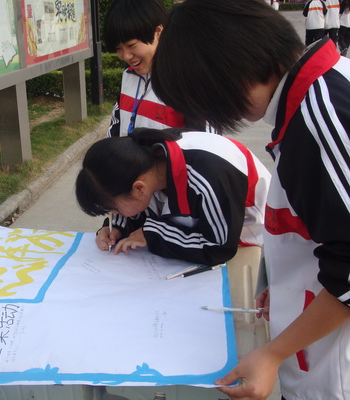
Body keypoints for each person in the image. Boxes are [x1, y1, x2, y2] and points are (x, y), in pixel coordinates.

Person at [151, 0, 350, 398]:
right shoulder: (315, 94)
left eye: (204, 97)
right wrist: (287, 285)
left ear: (228, 71)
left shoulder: (318, 121)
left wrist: (272, 354)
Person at [76, 128, 270, 265]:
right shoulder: (149, 163)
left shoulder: (207, 178)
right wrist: (117, 227)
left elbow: (218, 248)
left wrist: (154, 234)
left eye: (115, 210)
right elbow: (142, 207)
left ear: (139, 188)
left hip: (254, 237)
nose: (114, 214)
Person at [103, 0, 212, 137]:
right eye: (118, 48)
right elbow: (116, 124)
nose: (126, 56)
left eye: (131, 45)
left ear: (158, 31)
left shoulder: (188, 80)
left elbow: (205, 142)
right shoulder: (128, 74)